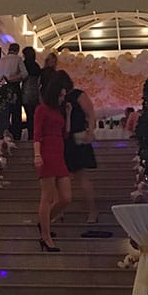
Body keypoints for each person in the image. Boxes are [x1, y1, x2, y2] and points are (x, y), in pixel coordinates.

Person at [33, 70, 73, 252]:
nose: (62, 98)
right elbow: (37, 134)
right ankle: (45, 236)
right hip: (47, 153)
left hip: (59, 152)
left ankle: (44, 223)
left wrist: (69, 115)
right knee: (47, 197)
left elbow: (65, 133)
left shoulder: (58, 111)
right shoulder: (42, 109)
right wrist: (37, 154)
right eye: (61, 95)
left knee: (66, 198)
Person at [62, 75, 99, 223]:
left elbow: (90, 114)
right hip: (65, 138)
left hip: (77, 137)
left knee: (80, 176)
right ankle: (62, 210)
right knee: (66, 177)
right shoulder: (62, 98)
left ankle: (92, 210)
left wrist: (90, 131)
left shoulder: (77, 95)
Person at [0, 42, 27, 139]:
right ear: (17, 50)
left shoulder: (1, 60)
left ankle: (3, 135)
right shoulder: (18, 59)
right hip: (14, 87)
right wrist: (16, 78)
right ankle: (16, 135)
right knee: (16, 113)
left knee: (4, 112)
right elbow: (25, 74)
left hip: (3, 88)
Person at [20, 46, 42, 142]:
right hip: (36, 92)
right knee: (35, 115)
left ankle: (30, 135)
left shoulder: (23, 65)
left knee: (29, 115)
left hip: (26, 92)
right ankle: (35, 135)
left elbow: (22, 77)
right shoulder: (36, 66)